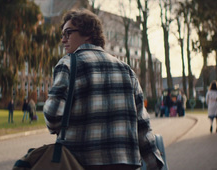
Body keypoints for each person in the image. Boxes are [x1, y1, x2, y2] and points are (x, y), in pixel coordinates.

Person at [43, 9, 164, 169]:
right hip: (125, 164)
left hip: (80, 162)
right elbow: (142, 126)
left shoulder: (68, 64)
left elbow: (52, 116)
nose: (63, 39)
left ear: (87, 33)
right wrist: (154, 163)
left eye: (68, 33)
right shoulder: (127, 70)